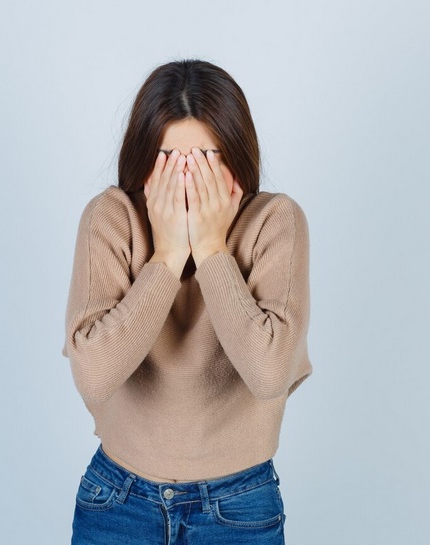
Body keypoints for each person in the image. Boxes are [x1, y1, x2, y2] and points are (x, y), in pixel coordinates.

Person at [62, 59, 312, 545]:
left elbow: (268, 374)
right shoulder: (111, 218)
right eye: (168, 160)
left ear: (235, 158)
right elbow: (93, 374)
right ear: (143, 161)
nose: (186, 178)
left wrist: (213, 250)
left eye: (204, 160)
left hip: (239, 504)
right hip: (118, 499)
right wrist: (169, 255)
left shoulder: (275, 222)